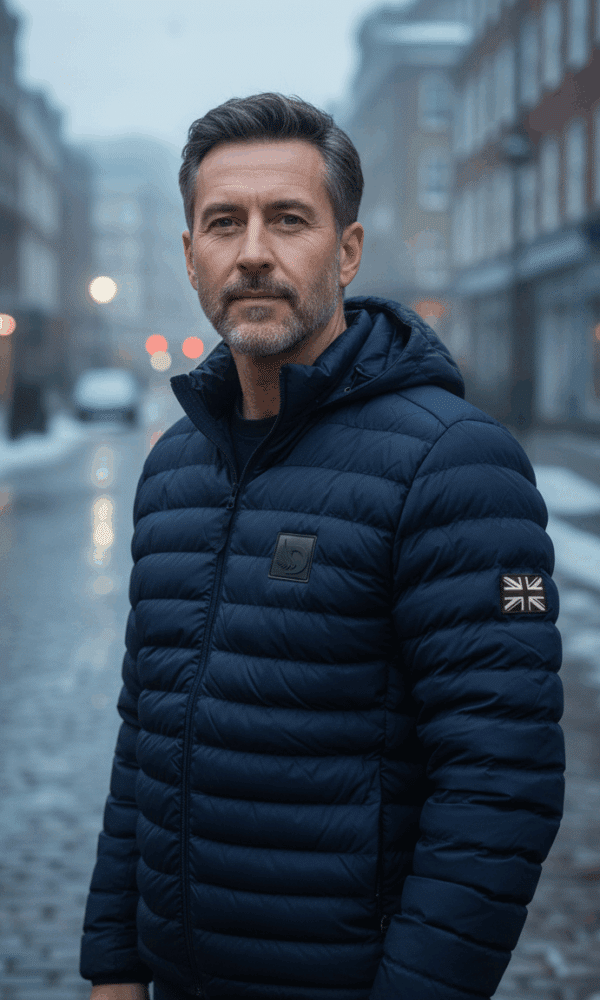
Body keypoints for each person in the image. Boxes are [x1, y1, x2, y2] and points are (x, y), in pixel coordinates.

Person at [80, 93, 565, 1000]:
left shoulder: (454, 463)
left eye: (289, 219)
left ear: (346, 251)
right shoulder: (174, 467)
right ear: (190, 255)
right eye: (224, 222)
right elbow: (144, 738)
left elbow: (500, 780)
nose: (253, 251)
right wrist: (112, 964)